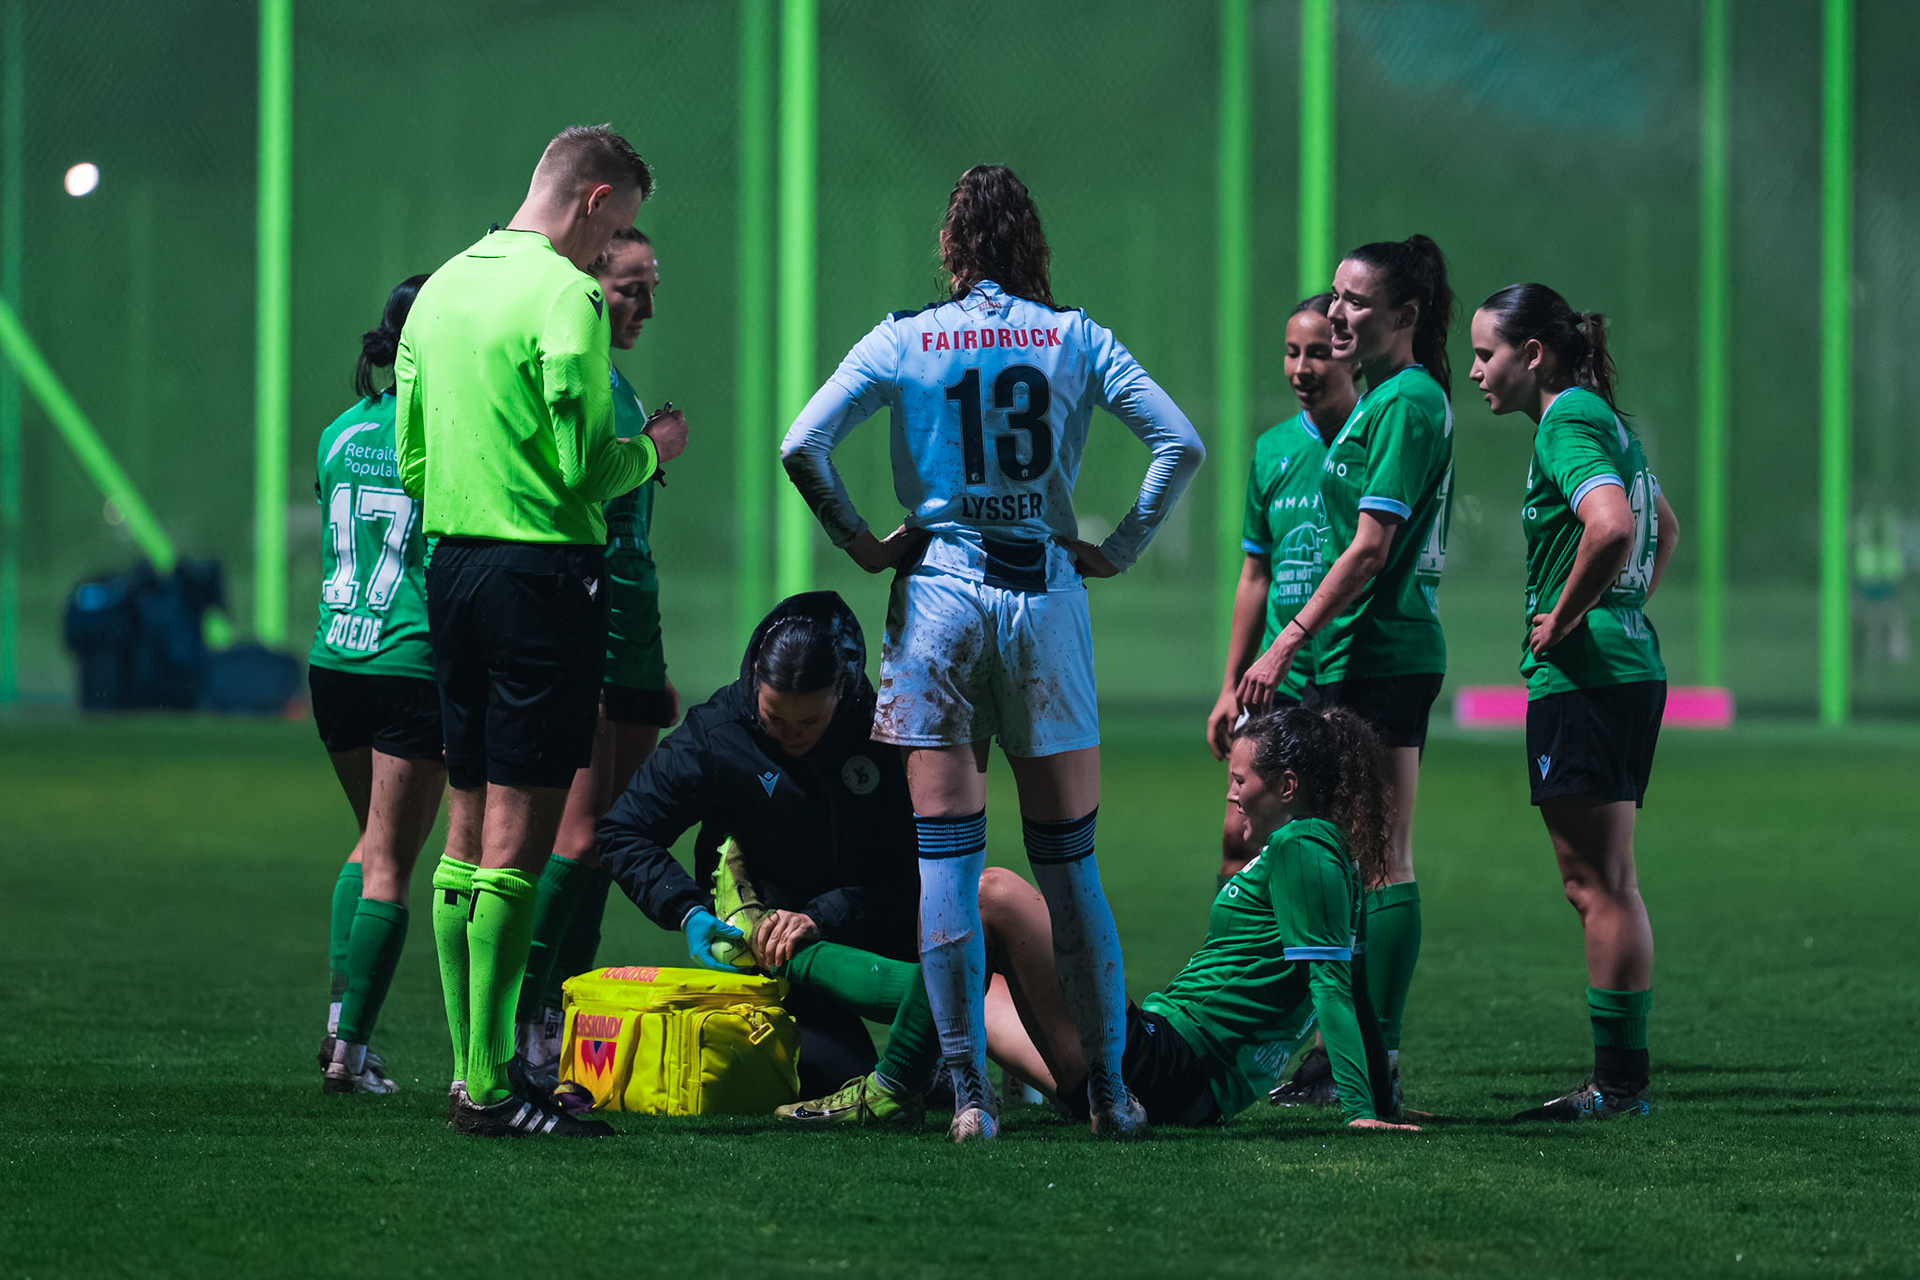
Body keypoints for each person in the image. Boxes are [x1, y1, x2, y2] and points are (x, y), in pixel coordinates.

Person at [780, 164, 1205, 1140]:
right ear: (1034, 245)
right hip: (1043, 596)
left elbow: (805, 443)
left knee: (945, 858)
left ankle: (969, 1097)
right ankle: (1110, 1091)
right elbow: (1177, 442)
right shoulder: (1074, 335)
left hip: (935, 599)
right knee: (1071, 864)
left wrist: (859, 538)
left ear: (952, 246)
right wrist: (1120, 545)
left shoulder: (907, 336)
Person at [395, 123, 688, 1139]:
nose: (615, 254)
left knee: (464, 831)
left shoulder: (441, 288)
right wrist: (648, 454)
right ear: (597, 197)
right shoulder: (562, 294)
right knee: (517, 842)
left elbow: (415, 461)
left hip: (453, 566)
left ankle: (468, 1068)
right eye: (624, 227)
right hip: (540, 576)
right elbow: (582, 471)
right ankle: (490, 1081)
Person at [776, 708, 1419, 1134]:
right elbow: (1356, 988)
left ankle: (890, 1092)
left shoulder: (1306, 846)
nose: (1230, 790)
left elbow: (1335, 987)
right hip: (1169, 1078)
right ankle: (767, 944)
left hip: (1166, 1068)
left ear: (1287, 785)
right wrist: (1381, 1102)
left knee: (990, 892)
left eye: (1240, 777)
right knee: (959, 985)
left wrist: (1362, 1113)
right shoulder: (1316, 853)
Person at [1237, 235, 1454, 1095]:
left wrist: (1285, 640)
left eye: (1357, 301)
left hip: (1381, 654)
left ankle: (1375, 1055)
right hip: (1351, 654)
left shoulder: (1405, 400)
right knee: (1342, 850)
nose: (1338, 313)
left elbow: (1370, 548)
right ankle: (1338, 1050)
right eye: (1336, 296)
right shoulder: (1381, 400)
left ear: (1405, 316)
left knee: (1383, 856)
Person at [1468, 283, 1678, 1120]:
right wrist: (1624, 609)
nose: (1476, 371)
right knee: (1609, 882)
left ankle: (1618, 1086)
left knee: (1598, 886)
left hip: (1588, 680)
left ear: (1533, 355)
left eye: (1485, 354)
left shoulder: (1566, 420)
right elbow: (1661, 518)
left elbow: (1614, 526)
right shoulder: (1603, 418)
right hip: (1625, 666)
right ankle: (1621, 1081)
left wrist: (1568, 614)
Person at [596, 592, 921, 1095]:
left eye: (809, 721)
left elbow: (911, 864)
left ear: (843, 690)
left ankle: (972, 1048)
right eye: (775, 717)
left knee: (961, 960)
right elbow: (622, 831)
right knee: (830, 1076)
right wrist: (687, 910)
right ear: (755, 685)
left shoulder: (885, 732)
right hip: (772, 952)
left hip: (871, 923)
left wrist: (823, 916)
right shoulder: (715, 733)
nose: (792, 734)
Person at [516, 227, 686, 1072]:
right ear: (589, 284)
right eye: (630, 288)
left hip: (632, 637)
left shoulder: (617, 382)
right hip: (586, 626)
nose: (645, 304)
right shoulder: (578, 374)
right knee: (577, 838)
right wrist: (654, 448)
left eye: (653, 287)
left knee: (610, 838)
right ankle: (514, 1015)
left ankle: (558, 1014)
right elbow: (579, 488)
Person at [309, 275, 447, 1094]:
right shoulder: (442, 433)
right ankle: (349, 1054)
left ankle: (340, 1030)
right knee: (392, 861)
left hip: (335, 660)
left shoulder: (337, 432)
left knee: (368, 848)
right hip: (408, 661)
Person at [1207, 294, 1360, 882]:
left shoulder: (1374, 440)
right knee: (1238, 838)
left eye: (1318, 353)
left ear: (1350, 356)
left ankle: (1325, 968)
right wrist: (1229, 686)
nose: (1302, 368)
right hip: (1274, 680)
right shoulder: (1272, 449)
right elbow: (1256, 574)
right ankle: (1235, 969)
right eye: (1292, 353)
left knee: (1338, 843)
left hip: (1345, 671)